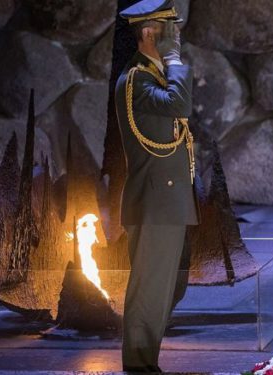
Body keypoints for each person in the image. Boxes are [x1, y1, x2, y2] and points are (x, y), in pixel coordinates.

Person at [115, 0, 197, 371]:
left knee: (167, 290)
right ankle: (138, 365)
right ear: (149, 33)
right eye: (170, 30)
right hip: (155, 200)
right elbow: (179, 104)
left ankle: (146, 362)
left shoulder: (152, 77)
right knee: (150, 291)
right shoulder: (136, 80)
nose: (175, 37)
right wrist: (175, 60)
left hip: (169, 199)